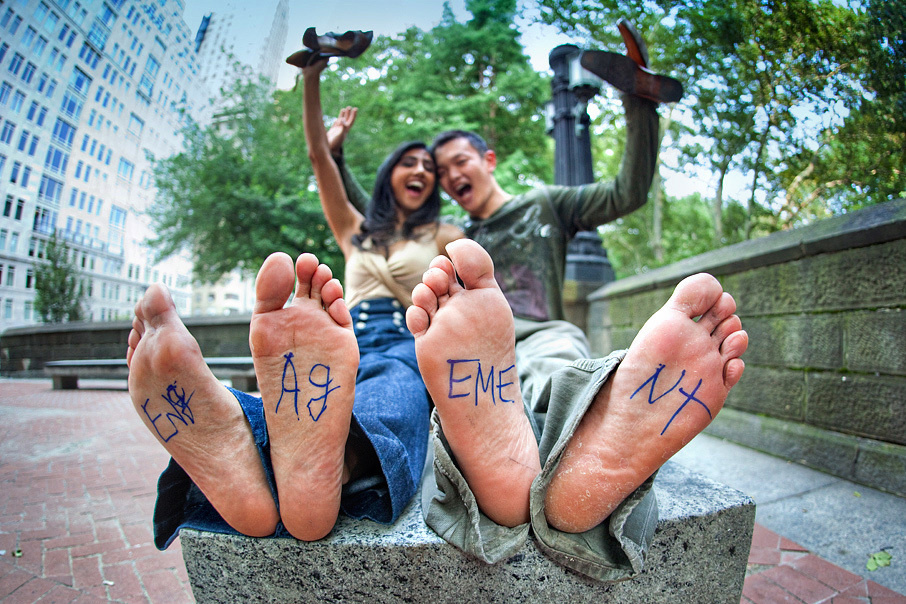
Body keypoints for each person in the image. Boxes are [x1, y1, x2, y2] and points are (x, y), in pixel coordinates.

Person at [334, 20, 748, 582]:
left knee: (556, 374)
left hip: (539, 329)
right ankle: (534, 458)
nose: (452, 174)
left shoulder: (545, 205)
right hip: (478, 354)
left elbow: (628, 191)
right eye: (443, 171)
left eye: (460, 161)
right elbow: (379, 217)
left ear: (490, 160)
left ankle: (588, 451)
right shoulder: (451, 238)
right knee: (464, 397)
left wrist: (640, 104)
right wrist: (336, 160)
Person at [126, 49, 461, 547]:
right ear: (390, 173)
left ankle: (312, 455)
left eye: (429, 167)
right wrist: (311, 79)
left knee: (395, 385)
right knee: (319, 386)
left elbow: (460, 297)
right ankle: (264, 443)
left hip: (402, 333)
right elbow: (318, 158)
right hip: (344, 330)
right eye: (409, 161)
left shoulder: (445, 232)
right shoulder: (356, 230)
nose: (421, 170)